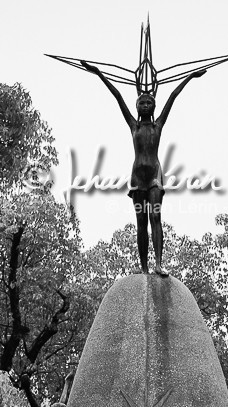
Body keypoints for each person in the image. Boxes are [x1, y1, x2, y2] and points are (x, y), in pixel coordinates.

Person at [78, 60, 205, 275]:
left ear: (153, 106)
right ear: (137, 107)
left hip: (155, 176)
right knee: (141, 221)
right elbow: (117, 96)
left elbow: (173, 96)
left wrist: (190, 77)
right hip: (137, 177)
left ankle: (158, 264)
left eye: (149, 103)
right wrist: (99, 73)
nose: (145, 105)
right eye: (141, 103)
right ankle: (144, 269)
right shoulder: (133, 125)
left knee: (155, 217)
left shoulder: (159, 125)